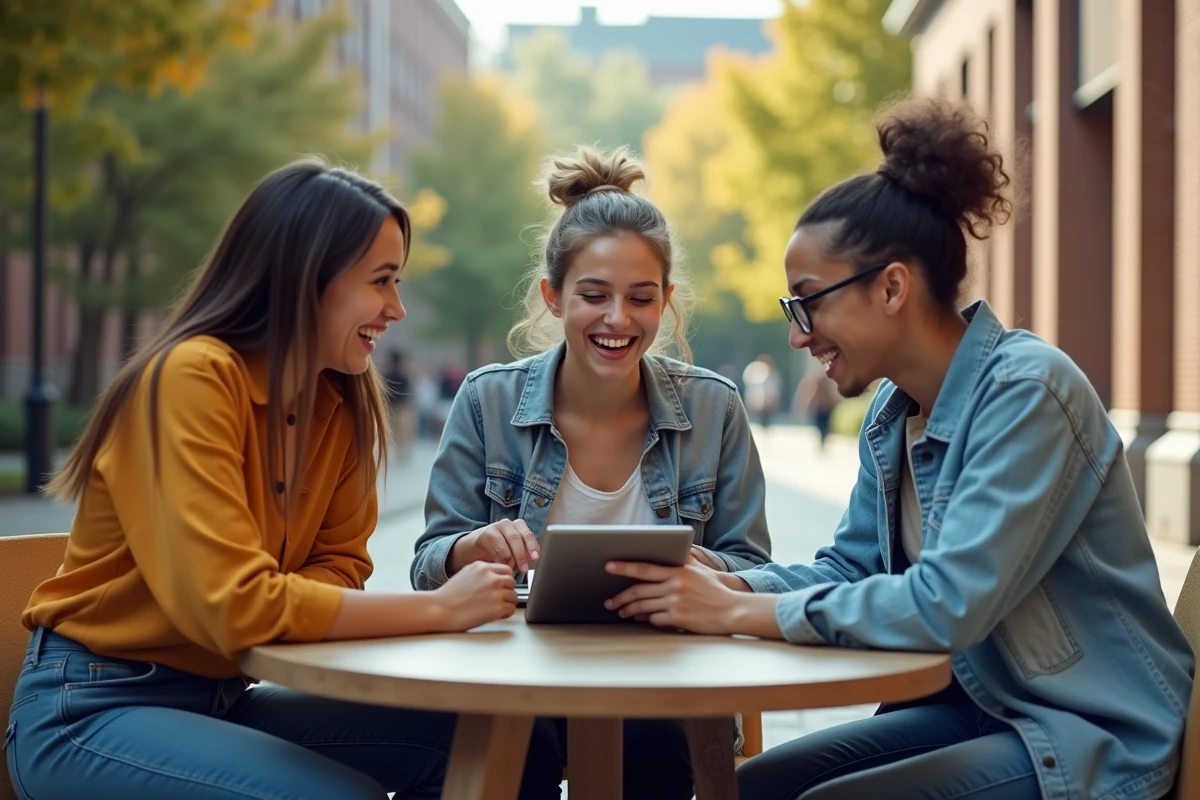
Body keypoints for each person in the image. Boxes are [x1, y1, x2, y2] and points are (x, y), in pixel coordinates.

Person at [603, 97, 1195, 799]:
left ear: (891, 287)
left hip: (1090, 735)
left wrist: (734, 613)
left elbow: (947, 605)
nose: (799, 334)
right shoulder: (892, 413)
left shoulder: (1031, 392)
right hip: (983, 708)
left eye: (809, 301)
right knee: (754, 787)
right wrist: (727, 585)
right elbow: (850, 567)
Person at [6, 158, 518, 800]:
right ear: (306, 279)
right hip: (91, 710)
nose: (397, 308)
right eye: (381, 281)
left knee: (497, 743)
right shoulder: (190, 378)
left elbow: (338, 566)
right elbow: (235, 610)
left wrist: (267, 600)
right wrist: (440, 607)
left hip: (221, 698)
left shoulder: (343, 401)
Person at [411, 145, 772, 800]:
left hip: (665, 677)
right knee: (515, 751)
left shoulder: (714, 407)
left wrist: (705, 570)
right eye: (594, 296)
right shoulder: (487, 401)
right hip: (520, 675)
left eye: (640, 298)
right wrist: (474, 546)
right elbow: (428, 560)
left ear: (666, 300)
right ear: (553, 297)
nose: (618, 320)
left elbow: (754, 561)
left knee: (656, 748)